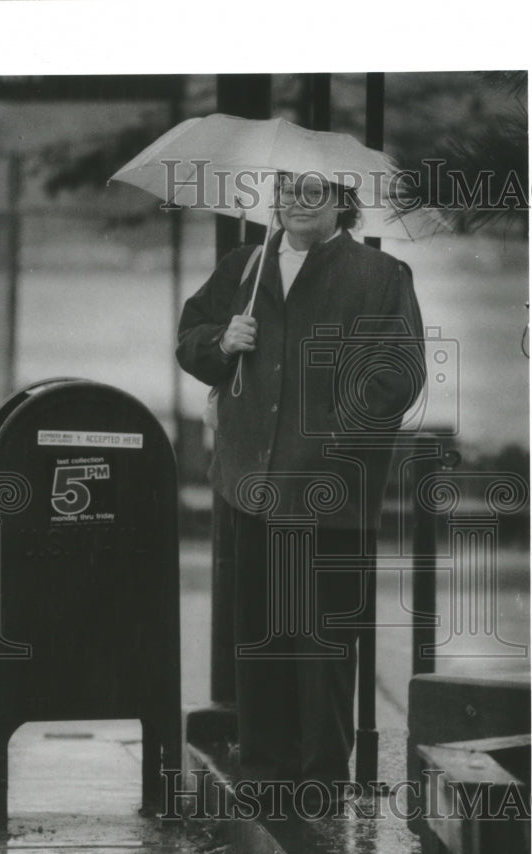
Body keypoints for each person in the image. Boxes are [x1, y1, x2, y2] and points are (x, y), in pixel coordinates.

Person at [176, 171, 426, 805]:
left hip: (329, 492)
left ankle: (319, 780)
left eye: (313, 191)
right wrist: (221, 340)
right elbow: (192, 340)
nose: (295, 201)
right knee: (259, 633)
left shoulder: (380, 275)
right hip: (249, 486)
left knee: (323, 640)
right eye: (285, 189)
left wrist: (330, 439)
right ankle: (264, 774)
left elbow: (398, 376)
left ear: (342, 202)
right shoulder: (246, 266)